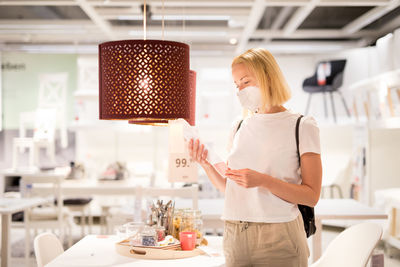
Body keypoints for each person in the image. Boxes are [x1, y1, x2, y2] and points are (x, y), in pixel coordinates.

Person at [188, 48, 322, 267]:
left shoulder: (302, 126)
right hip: (235, 234)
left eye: (245, 82)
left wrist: (263, 180)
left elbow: (311, 196)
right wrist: (206, 164)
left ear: (268, 77)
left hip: (280, 236)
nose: (240, 90)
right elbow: (229, 187)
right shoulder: (239, 126)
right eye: (236, 85)